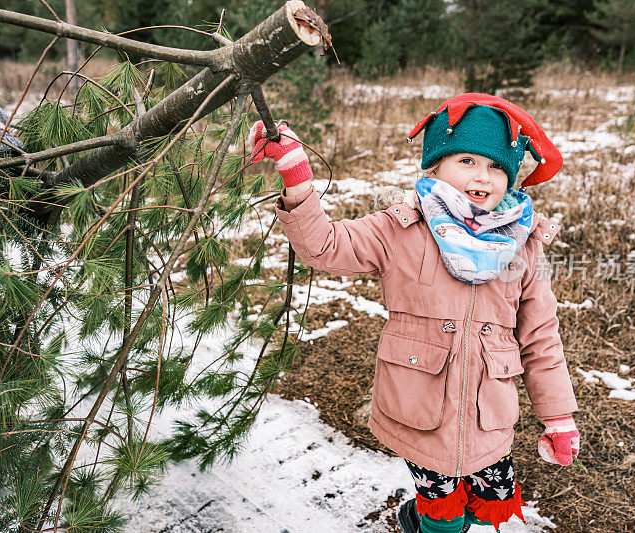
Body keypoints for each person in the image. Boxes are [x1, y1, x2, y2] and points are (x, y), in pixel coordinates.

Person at [248, 93, 580, 533]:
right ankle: (426, 522)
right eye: (467, 160)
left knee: (489, 506)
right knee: (441, 512)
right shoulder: (400, 229)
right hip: (421, 412)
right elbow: (325, 247)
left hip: (489, 418)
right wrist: (296, 173)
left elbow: (540, 337)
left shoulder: (522, 245)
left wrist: (558, 415)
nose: (483, 177)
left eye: (498, 166)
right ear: (434, 166)